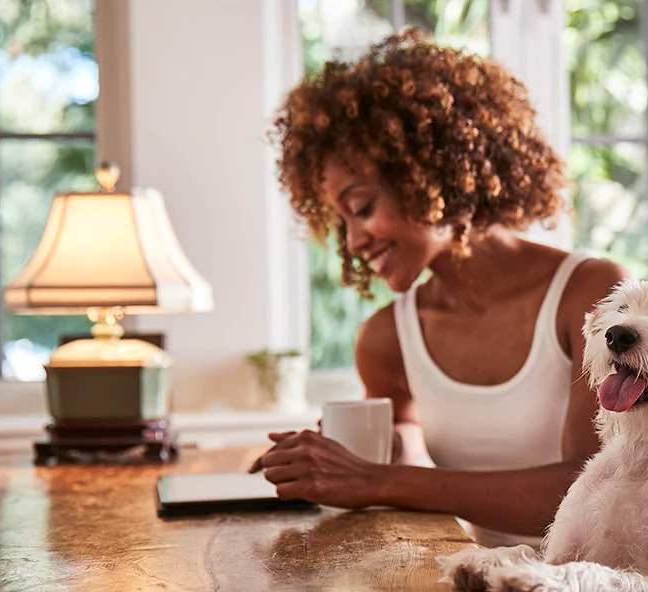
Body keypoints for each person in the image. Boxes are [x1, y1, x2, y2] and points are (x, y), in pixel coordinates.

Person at [254, 29, 628, 546]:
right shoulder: (387, 337)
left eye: (362, 208)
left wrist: (377, 480)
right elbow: (405, 445)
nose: (354, 240)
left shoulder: (590, 291)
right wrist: (355, 454)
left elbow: (591, 495)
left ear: (432, 173)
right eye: (340, 221)